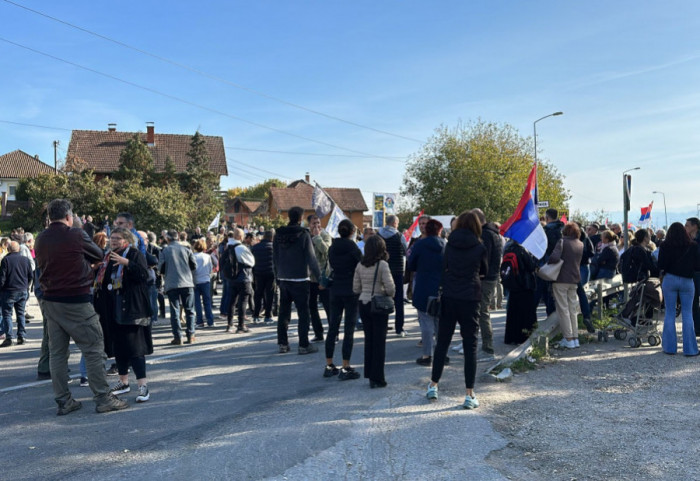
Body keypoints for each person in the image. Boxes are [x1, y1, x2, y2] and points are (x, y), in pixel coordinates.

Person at [35, 198, 128, 415]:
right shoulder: (75, 234)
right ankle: (103, 398)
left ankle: (63, 400)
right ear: (69, 216)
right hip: (75, 298)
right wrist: (78, 228)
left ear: (49, 217)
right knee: (94, 348)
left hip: (50, 300)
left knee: (57, 353)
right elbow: (97, 253)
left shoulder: (41, 238)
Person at [425, 211, 487, 409]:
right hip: (470, 296)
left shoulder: (450, 244)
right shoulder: (479, 246)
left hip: (450, 295)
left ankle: (433, 385)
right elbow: (484, 271)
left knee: (442, 341)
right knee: (470, 345)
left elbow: (445, 267)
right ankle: (469, 394)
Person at [93, 228, 153, 403]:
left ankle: (143, 386)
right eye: (112, 238)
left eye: (118, 238)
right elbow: (104, 283)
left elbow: (144, 276)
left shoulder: (134, 254)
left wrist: (126, 262)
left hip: (132, 310)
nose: (114, 241)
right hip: (113, 310)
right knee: (119, 347)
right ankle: (123, 382)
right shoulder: (108, 257)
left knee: (135, 349)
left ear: (127, 240)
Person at [274, 207, 321, 354]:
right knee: (303, 313)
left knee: (284, 313)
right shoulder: (303, 234)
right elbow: (311, 258)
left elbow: (275, 257)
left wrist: (277, 276)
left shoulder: (278, 234)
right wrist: (320, 278)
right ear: (301, 218)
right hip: (300, 278)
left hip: (283, 277)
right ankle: (303, 344)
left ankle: (283, 343)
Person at [353, 235, 395, 388]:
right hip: (378, 305)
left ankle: (369, 374)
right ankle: (378, 377)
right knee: (379, 342)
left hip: (363, 304)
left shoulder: (360, 265)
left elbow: (355, 288)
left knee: (369, 340)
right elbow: (390, 288)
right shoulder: (382, 265)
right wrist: (385, 292)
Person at [324, 219, 363, 380]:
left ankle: (329, 364)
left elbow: (331, 264)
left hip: (335, 288)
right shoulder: (352, 246)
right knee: (348, 328)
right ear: (352, 232)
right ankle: (345, 366)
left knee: (333, 326)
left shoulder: (332, 247)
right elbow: (361, 262)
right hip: (350, 288)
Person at [406, 219, 446, 366]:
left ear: (426, 230)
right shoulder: (445, 245)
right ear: (439, 230)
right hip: (441, 287)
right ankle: (442, 354)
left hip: (423, 286)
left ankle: (427, 355)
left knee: (425, 322)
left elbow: (411, 264)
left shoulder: (419, 245)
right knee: (439, 322)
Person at [659, 222, 700, 355]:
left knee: (670, 313)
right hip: (687, 281)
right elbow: (697, 266)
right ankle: (690, 349)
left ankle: (669, 348)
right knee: (687, 314)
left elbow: (661, 264)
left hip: (670, 279)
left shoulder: (664, 245)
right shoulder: (693, 246)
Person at [472, 208, 503, 361]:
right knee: (481, 312)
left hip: (485, 278)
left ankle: (488, 349)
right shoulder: (494, 233)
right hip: (491, 277)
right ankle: (481, 345)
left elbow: (484, 258)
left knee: (482, 312)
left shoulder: (485, 234)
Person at [548, 222, 584, 349]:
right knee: (572, 309)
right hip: (574, 279)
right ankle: (575, 338)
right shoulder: (580, 244)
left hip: (561, 278)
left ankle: (567, 338)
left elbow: (554, 258)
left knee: (563, 309)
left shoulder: (562, 242)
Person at [159, 230, 197, 345]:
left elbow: (160, 268)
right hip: (187, 282)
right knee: (190, 310)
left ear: (168, 239)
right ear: (178, 238)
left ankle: (178, 337)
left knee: (174, 310)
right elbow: (194, 265)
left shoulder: (165, 251)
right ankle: (191, 335)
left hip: (172, 283)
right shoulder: (186, 249)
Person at [502, 240, 538, 345]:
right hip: (525, 284)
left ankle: (511, 337)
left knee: (513, 312)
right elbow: (531, 267)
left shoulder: (508, 248)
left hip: (513, 284)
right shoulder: (522, 250)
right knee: (526, 312)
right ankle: (524, 337)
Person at [377, 215, 408, 337]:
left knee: (382, 298)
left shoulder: (378, 235)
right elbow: (406, 250)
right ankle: (399, 328)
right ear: (394, 223)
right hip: (397, 270)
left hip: (382, 270)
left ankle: (382, 327)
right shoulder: (399, 236)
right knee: (399, 300)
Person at [222, 228, 255, 333]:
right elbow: (252, 262)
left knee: (232, 301)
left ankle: (229, 324)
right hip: (243, 278)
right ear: (240, 237)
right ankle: (241, 325)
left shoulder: (228, 247)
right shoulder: (241, 248)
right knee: (243, 301)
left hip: (231, 278)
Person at [0, 241, 33, 346]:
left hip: (9, 290)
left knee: (7, 314)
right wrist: (26, 286)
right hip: (22, 290)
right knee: (21, 314)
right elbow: (30, 276)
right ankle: (21, 336)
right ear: (18, 249)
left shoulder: (6, 260)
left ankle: (9, 337)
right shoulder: (25, 260)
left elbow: (2, 278)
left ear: (8, 249)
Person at [534, 209, 564, 314]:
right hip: (561, 267)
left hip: (546, 266)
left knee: (540, 295)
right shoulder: (564, 230)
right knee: (555, 297)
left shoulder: (545, 231)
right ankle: (554, 323)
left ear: (547, 218)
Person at [308, 214, 331, 342]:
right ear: (309, 225)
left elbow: (326, 250)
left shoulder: (325, 235)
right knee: (312, 307)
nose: (316, 225)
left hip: (323, 276)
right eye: (313, 223)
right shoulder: (306, 236)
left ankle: (334, 333)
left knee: (328, 306)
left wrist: (317, 237)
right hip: (310, 278)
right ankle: (318, 333)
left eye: (318, 223)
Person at [251, 230, 275, 323]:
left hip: (258, 272)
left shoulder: (255, 247)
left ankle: (256, 315)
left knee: (258, 294)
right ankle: (268, 315)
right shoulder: (274, 247)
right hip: (270, 273)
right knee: (269, 295)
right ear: (272, 237)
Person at [192, 239, 216, 328]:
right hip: (206, 280)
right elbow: (210, 269)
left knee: (197, 303)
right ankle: (210, 321)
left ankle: (199, 321)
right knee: (207, 302)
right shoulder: (207, 256)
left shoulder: (193, 256)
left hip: (195, 281)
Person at [685, 217, 700, 334]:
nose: (685, 228)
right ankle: (697, 328)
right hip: (692, 274)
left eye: (687, 225)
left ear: (695, 226)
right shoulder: (686, 239)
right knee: (694, 302)